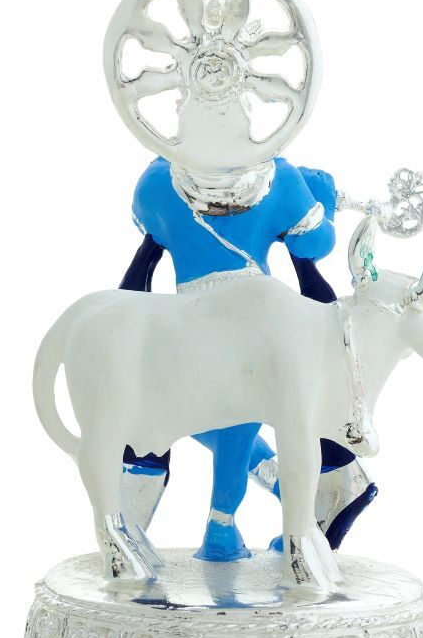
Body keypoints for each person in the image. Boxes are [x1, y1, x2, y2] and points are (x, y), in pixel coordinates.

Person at [118, 155, 378, 561]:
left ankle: (223, 522)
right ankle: (263, 506)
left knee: (213, 415)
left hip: (189, 322)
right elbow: (314, 245)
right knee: (222, 415)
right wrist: (321, 199)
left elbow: (152, 235)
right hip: (252, 321)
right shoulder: (279, 177)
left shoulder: (156, 178)